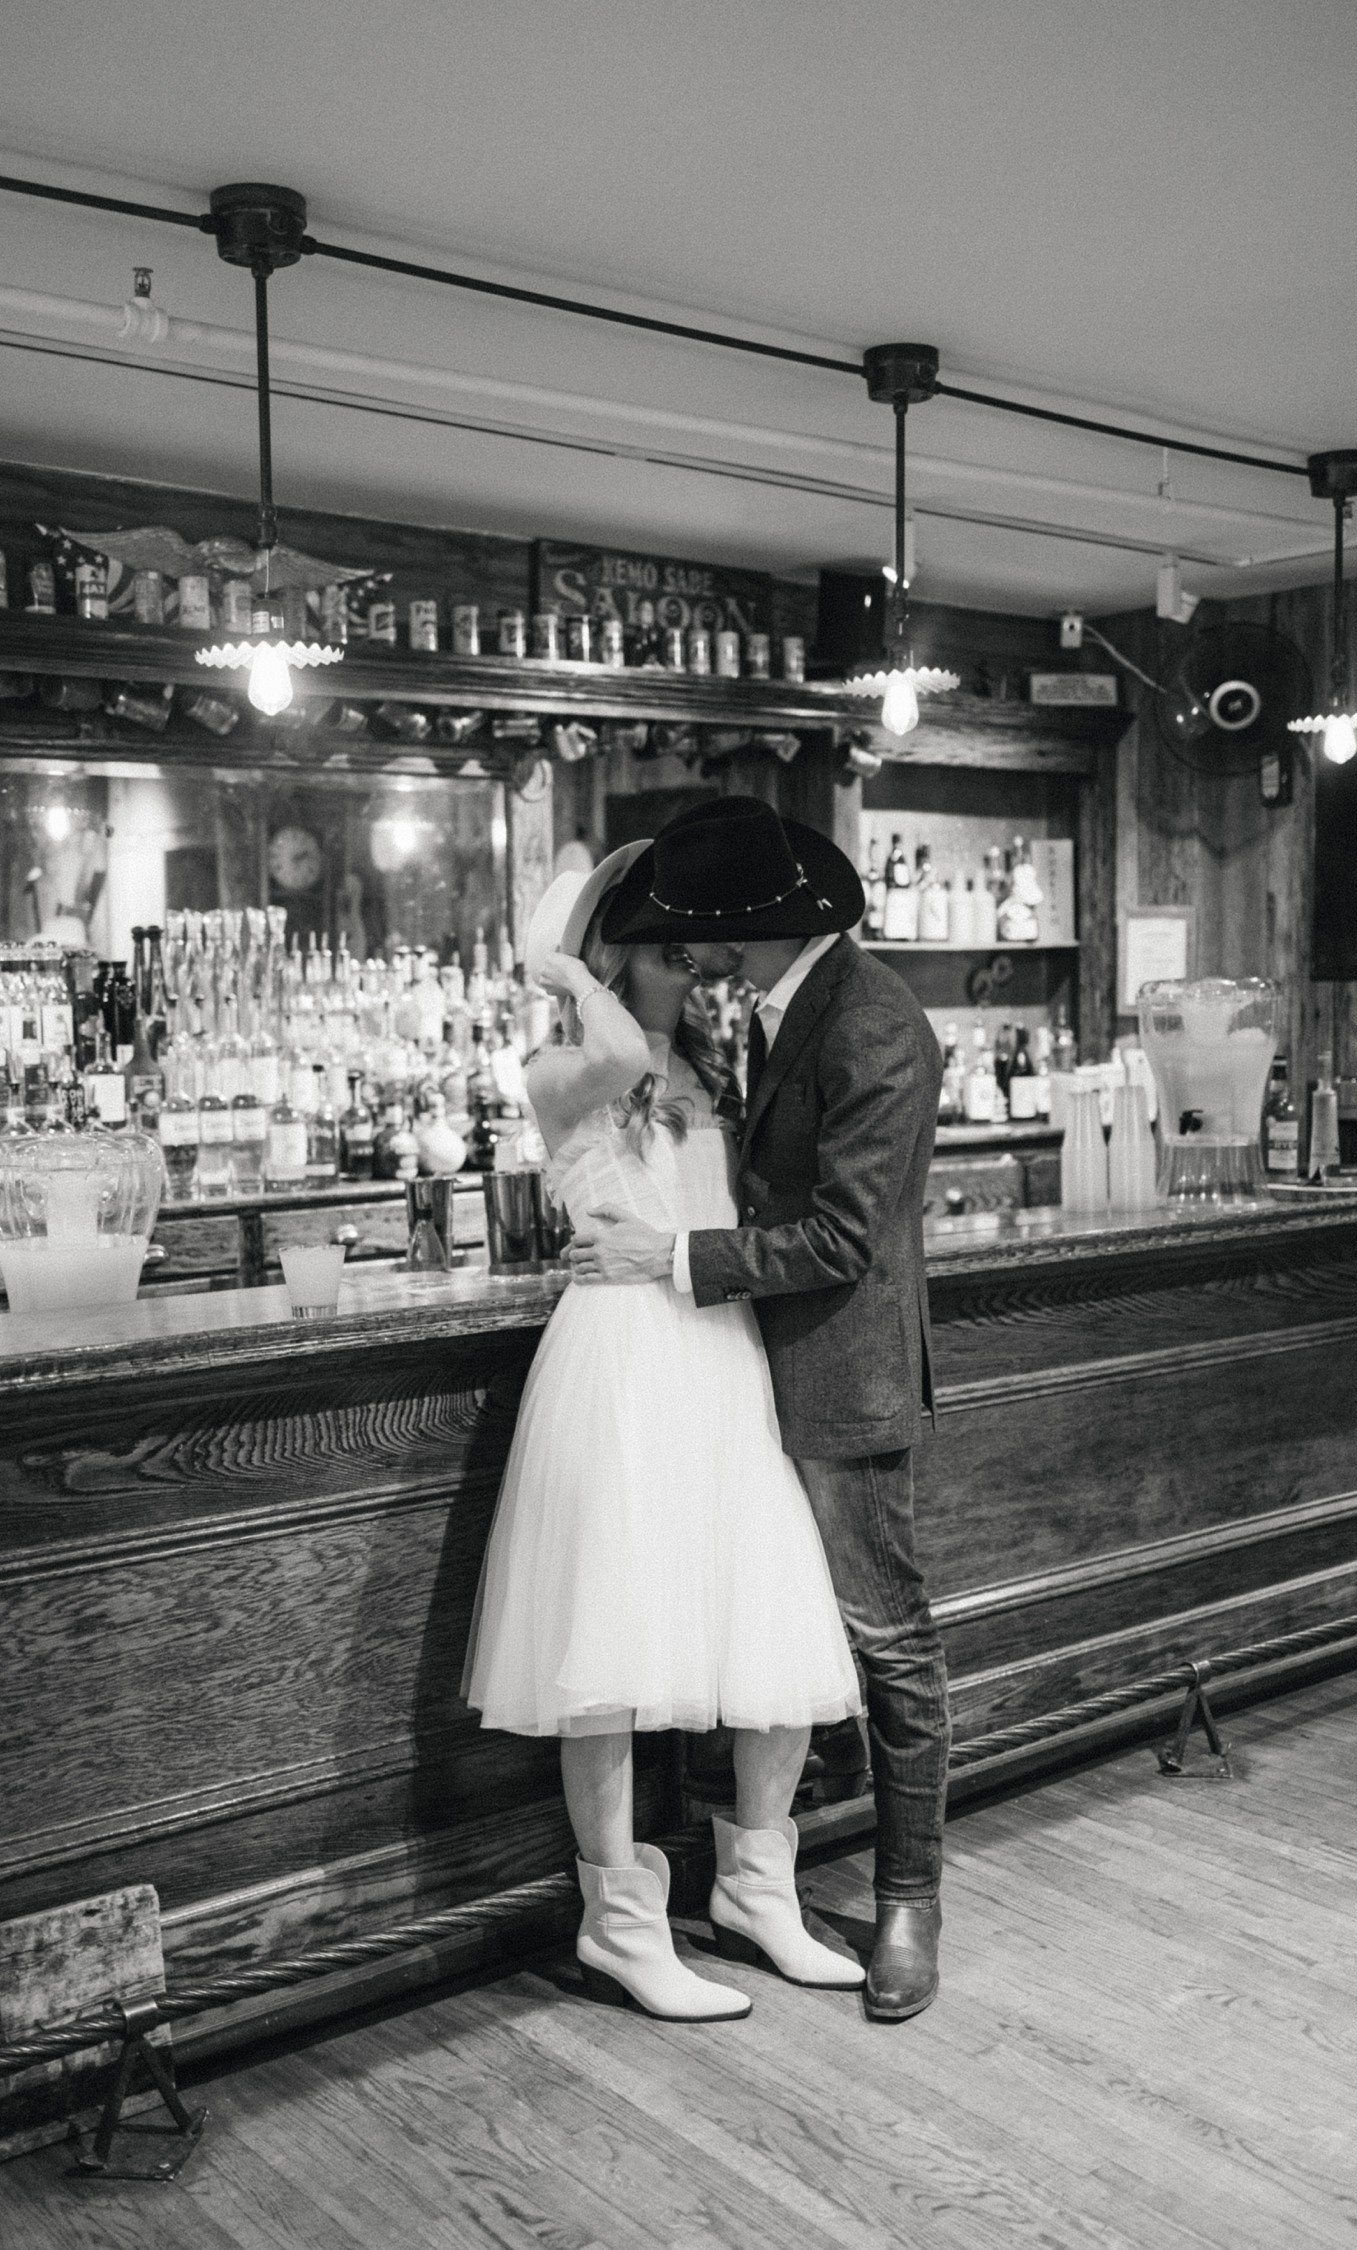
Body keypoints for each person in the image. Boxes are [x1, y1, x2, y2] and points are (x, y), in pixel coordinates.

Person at [462, 838, 865, 2022]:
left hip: (717, 1350)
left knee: (772, 1626)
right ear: (612, 954)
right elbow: (623, 1050)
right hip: (618, 1360)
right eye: (667, 942)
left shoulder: (708, 1065)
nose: (693, 959)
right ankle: (620, 1923)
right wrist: (567, 971)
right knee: (606, 1653)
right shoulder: (550, 1069)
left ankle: (757, 1889)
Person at [568, 796, 949, 2024]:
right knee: (738, 1636)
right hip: (736, 1370)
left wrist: (677, 1262)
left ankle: (907, 1903)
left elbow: (842, 1233)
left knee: (886, 1641)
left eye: (697, 933)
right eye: (665, 937)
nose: (688, 952)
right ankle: (738, 1893)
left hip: (837, 1375)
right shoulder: (770, 1016)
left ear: (754, 928)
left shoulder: (877, 1020)